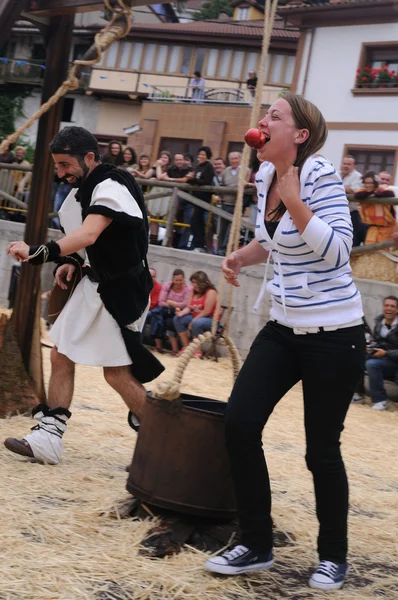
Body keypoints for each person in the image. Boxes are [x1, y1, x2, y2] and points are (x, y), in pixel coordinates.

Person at [204, 93, 365, 592]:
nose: (262, 122)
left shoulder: (317, 177)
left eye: (274, 116)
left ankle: (333, 557)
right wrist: (240, 257)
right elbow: (275, 241)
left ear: (298, 135)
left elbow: (339, 251)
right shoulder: (263, 177)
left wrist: (295, 197)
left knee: (321, 450)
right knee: (239, 421)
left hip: (335, 334)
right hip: (284, 325)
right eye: (264, 115)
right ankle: (256, 541)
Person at [4, 126, 164, 465]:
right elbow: (91, 244)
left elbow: (91, 232)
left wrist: (39, 253)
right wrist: (74, 264)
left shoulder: (111, 185)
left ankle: (163, 432)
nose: (61, 174)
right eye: (57, 167)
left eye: (65, 165)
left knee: (116, 373)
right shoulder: (83, 192)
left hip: (122, 291)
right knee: (61, 353)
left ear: (89, 157)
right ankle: (49, 435)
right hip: (97, 285)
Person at [173, 270, 218, 358]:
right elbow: (189, 307)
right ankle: (186, 346)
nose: (193, 285)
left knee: (197, 323)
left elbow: (207, 311)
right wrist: (181, 313)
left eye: (195, 282)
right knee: (177, 319)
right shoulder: (194, 291)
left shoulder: (211, 292)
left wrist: (193, 320)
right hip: (196, 316)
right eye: (192, 282)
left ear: (201, 283)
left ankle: (197, 350)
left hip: (210, 319)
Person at [365, 296, 398, 411]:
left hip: (394, 360)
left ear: (397, 310)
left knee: (372, 364)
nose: (389, 308)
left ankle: (382, 401)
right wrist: (370, 348)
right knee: (360, 358)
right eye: (386, 305)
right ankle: (360, 395)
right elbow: (376, 341)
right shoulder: (379, 323)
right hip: (385, 359)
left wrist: (385, 353)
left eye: (392, 306)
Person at [150, 268, 192, 355]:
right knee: (156, 316)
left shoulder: (188, 289)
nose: (178, 282)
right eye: (176, 280)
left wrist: (171, 302)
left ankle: (174, 349)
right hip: (167, 311)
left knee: (169, 322)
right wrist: (174, 305)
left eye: (181, 280)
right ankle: (158, 347)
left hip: (181, 313)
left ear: (184, 279)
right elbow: (161, 302)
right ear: (173, 279)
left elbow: (185, 304)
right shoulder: (167, 285)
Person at [218, 151, 250, 254]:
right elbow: (221, 184)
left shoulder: (246, 170)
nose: (234, 160)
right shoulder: (225, 171)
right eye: (232, 158)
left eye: (236, 158)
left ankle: (225, 249)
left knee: (231, 229)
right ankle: (219, 248)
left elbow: (245, 184)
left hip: (237, 204)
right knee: (222, 227)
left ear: (240, 159)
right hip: (225, 203)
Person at [186, 146, 215, 252]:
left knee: (197, 221)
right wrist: (190, 179)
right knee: (195, 221)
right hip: (195, 197)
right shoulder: (198, 166)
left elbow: (206, 181)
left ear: (207, 156)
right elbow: (194, 179)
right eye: (199, 154)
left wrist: (193, 180)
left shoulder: (209, 167)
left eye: (203, 154)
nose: (201, 156)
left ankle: (200, 245)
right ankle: (198, 244)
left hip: (203, 198)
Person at [355, 172, 395, 244]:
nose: (368, 185)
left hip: (387, 226)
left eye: (370, 183)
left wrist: (374, 194)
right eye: (366, 183)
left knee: (385, 250)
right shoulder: (363, 190)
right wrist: (371, 193)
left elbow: (390, 193)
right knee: (369, 249)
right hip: (370, 225)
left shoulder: (383, 189)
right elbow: (357, 195)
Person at [340, 155, 363, 246]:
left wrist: (336, 186)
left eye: (349, 164)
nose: (346, 166)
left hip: (351, 213)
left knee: (352, 239)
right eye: (344, 163)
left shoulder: (358, 176)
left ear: (354, 166)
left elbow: (354, 190)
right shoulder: (336, 173)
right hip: (336, 211)